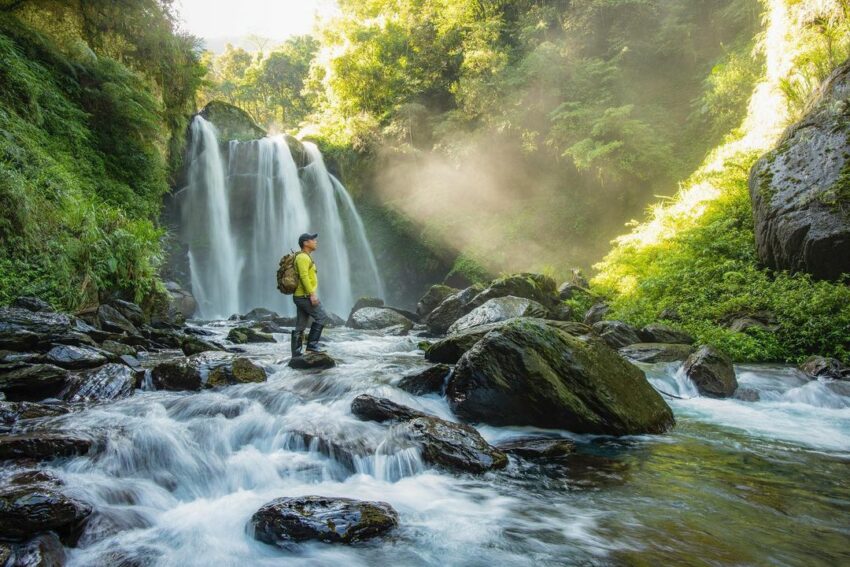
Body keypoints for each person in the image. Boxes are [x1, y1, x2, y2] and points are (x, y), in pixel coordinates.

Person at [291, 232, 329, 357]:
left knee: (301, 324)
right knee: (322, 316)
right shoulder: (302, 257)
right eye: (313, 239)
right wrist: (312, 294)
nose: (315, 241)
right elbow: (303, 277)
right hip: (304, 296)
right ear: (305, 243)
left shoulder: (305, 256)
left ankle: (296, 353)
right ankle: (312, 346)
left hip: (301, 296)